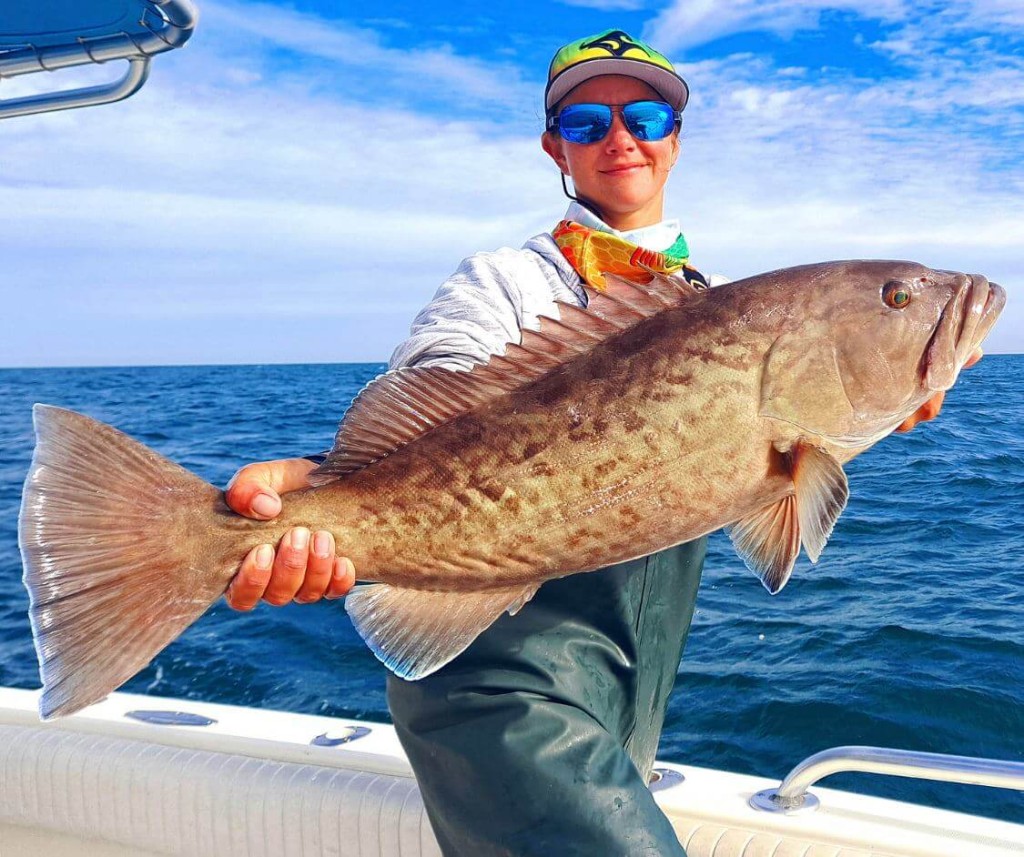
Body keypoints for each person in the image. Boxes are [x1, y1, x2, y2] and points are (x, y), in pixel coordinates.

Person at [222, 29, 970, 856]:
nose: (621, 137)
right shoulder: (504, 280)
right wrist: (330, 484)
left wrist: (867, 404)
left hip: (623, 704)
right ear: (556, 149)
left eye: (646, 115)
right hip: (494, 691)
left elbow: (777, 487)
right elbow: (442, 372)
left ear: (675, 140)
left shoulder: (717, 304)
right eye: (586, 123)